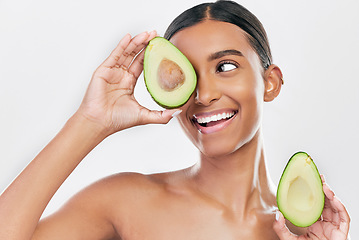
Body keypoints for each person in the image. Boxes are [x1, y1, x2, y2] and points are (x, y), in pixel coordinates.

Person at [0, 1, 351, 239]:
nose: (204, 94)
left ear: (270, 82)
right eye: (186, 75)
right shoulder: (125, 201)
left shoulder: (300, 230)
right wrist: (89, 122)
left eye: (225, 67)